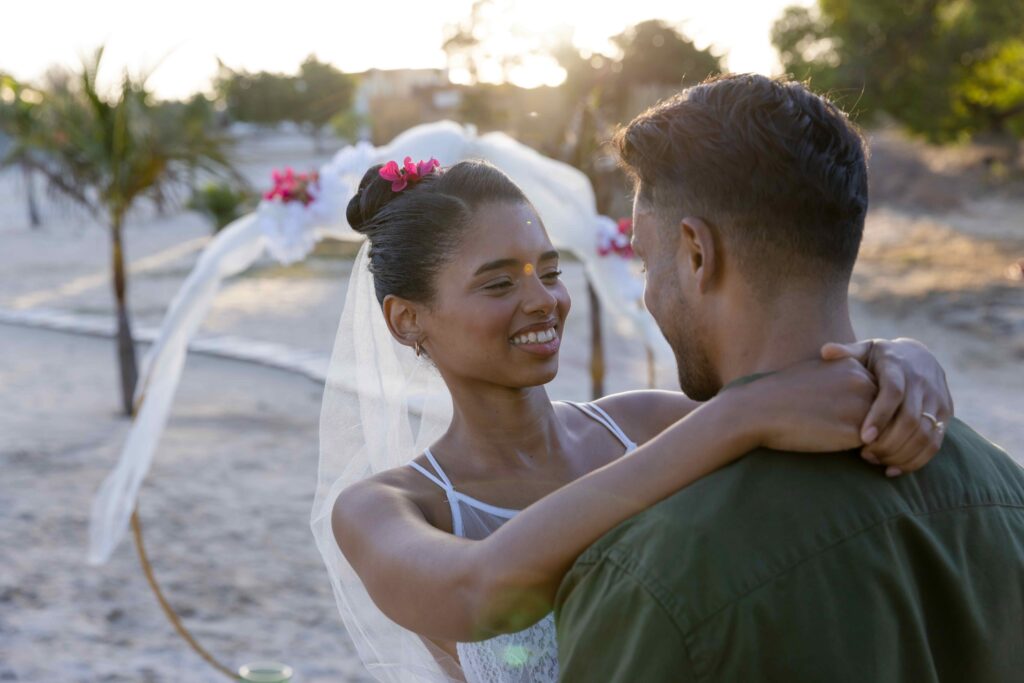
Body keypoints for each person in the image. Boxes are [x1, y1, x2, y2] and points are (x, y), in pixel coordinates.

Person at [311, 156, 954, 683]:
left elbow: (804, 406)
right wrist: (737, 415)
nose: (545, 301)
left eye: (551, 271)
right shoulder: (382, 508)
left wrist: (893, 359)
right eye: (499, 284)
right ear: (407, 320)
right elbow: (479, 592)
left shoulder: (646, 424)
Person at [554, 74, 1024, 682]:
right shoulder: (1006, 491)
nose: (646, 294)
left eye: (647, 260)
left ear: (697, 254)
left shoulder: (653, 575)